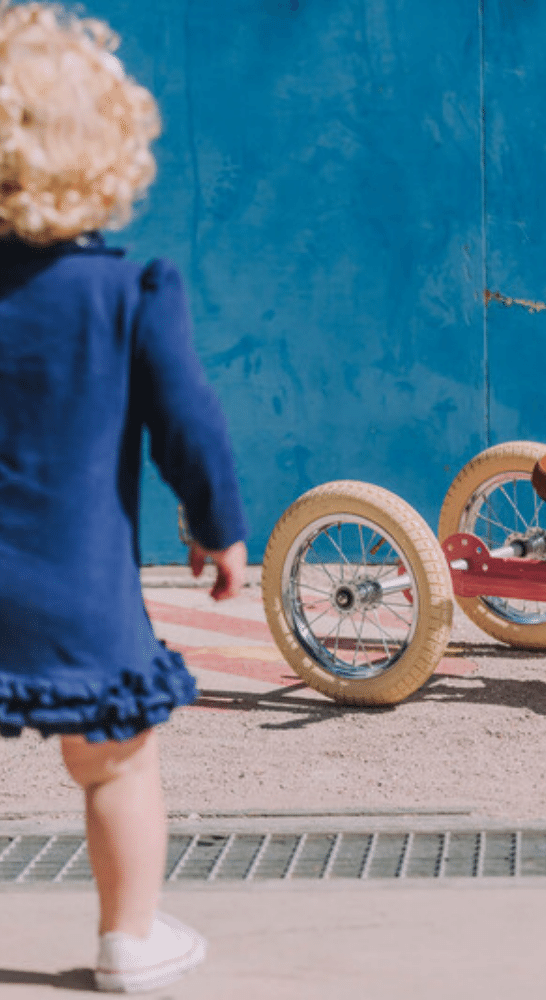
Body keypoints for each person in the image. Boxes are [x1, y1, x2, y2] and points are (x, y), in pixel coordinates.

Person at [0, 2, 248, 991]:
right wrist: (217, 525)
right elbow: (191, 423)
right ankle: (128, 939)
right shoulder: (129, 291)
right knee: (114, 759)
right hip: (78, 589)